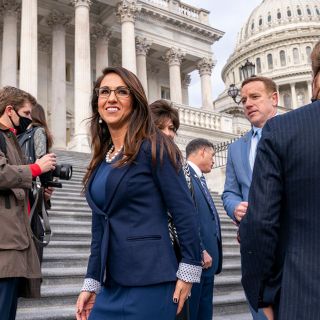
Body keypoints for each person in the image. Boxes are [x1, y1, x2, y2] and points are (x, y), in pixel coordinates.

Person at [75, 67, 202, 320]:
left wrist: (189, 269)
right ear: (97, 103)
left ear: (135, 102)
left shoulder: (154, 146)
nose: (111, 98)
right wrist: (91, 281)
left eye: (122, 92)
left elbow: (183, 210)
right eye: (105, 92)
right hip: (111, 283)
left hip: (151, 280)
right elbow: (100, 225)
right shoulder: (102, 158)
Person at [239, 41, 320, 320]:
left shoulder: (282, 131)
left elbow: (261, 222)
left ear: (314, 79)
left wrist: (262, 294)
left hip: (305, 293)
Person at [222, 76, 278, 319]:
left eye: (255, 97)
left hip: (293, 244)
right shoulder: (236, 148)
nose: (247, 104)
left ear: (274, 99)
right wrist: (235, 207)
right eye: (244, 99)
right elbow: (230, 192)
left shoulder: (296, 131)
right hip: (254, 247)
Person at [0, 86, 56, 320]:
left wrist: (41, 194)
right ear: (9, 110)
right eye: (25, 114)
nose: (28, 120)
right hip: (5, 239)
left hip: (15, 237)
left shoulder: (10, 138)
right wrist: (35, 168)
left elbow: (18, 185)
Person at [186, 138, 222, 320]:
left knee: (204, 312)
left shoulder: (200, 178)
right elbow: (187, 218)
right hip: (198, 258)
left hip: (208, 261)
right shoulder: (184, 176)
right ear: (202, 152)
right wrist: (200, 249)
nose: (214, 160)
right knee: (193, 312)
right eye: (212, 155)